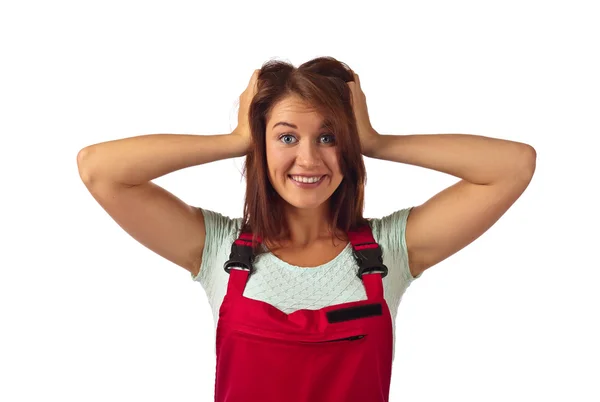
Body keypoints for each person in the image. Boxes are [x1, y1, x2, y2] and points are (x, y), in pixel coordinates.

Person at [77, 56, 536, 402]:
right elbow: (100, 169)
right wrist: (236, 139)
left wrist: (376, 141)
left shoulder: (390, 250)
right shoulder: (215, 248)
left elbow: (513, 166)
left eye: (330, 136)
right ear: (263, 143)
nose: (309, 160)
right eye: (286, 136)